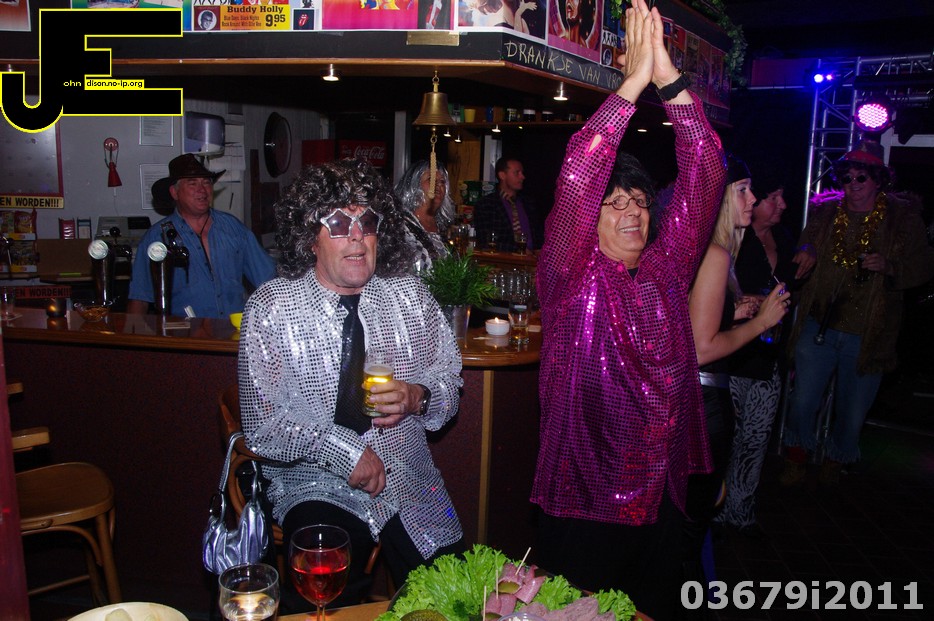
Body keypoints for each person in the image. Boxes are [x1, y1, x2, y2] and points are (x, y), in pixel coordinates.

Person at [530, 1, 725, 618]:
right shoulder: (569, 274)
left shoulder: (667, 269)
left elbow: (706, 171)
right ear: (591, 219)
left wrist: (669, 79)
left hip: (660, 494)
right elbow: (580, 173)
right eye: (615, 203)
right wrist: (632, 84)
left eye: (639, 200)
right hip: (583, 496)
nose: (632, 212)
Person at [237, 158, 466, 610]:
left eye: (368, 223)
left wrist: (418, 396)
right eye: (340, 224)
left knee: (457, 598)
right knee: (323, 595)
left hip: (408, 475)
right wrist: (344, 452)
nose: (358, 236)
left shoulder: (411, 298)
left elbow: (450, 384)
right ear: (310, 236)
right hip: (314, 480)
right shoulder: (273, 307)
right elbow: (263, 426)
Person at [781, 140, 934, 486]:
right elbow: (804, 243)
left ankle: (836, 459)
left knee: (852, 412)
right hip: (819, 324)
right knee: (802, 400)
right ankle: (795, 457)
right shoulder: (824, 213)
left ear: (878, 180)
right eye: (846, 177)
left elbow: (925, 266)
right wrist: (807, 249)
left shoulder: (903, 220)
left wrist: (891, 267)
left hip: (868, 334)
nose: (852, 184)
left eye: (861, 177)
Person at [719, 174, 799, 536]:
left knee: (756, 438)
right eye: (774, 197)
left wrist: (809, 249)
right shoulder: (733, 237)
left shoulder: (785, 239)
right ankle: (716, 508)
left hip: (769, 355)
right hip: (735, 354)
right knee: (727, 437)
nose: (782, 204)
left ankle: (741, 511)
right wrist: (746, 305)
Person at [127, 154, 276, 319]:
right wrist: (133, 333)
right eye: (192, 183)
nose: (202, 190)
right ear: (174, 192)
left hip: (233, 330)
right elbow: (139, 299)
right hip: (184, 332)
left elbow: (269, 282)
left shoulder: (234, 229)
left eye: (206, 182)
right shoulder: (156, 238)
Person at [393, 159, 455, 272]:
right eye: (431, 180)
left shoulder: (445, 227)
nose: (438, 185)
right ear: (414, 185)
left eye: (442, 182)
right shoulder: (400, 226)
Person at [472, 157, 542, 253]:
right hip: (503, 260)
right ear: (502, 175)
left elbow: (538, 237)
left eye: (522, 172)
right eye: (517, 173)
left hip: (532, 260)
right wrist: (518, 250)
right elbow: (485, 240)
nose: (522, 177)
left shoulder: (528, 203)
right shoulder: (486, 204)